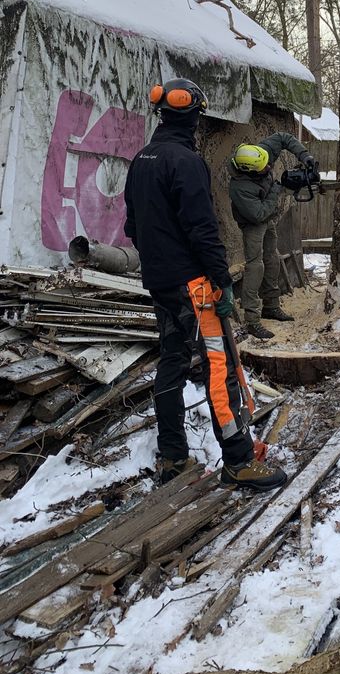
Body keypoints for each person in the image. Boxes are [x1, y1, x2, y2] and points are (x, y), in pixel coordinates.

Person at [124, 78, 287, 491]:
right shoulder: (185, 161)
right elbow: (203, 230)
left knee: (171, 365)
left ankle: (173, 457)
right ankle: (238, 459)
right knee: (220, 368)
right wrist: (220, 281)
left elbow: (132, 226)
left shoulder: (141, 159)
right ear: (195, 116)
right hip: (193, 286)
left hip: (159, 282)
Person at [229, 134, 317, 339]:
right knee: (255, 265)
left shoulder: (260, 155)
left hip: (267, 218)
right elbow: (258, 213)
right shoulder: (240, 187)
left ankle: (271, 305)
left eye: (268, 164)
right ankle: (252, 319)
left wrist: (305, 156)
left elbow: (284, 138)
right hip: (252, 223)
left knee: (272, 259)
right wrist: (278, 190)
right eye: (264, 168)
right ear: (249, 171)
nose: (269, 168)